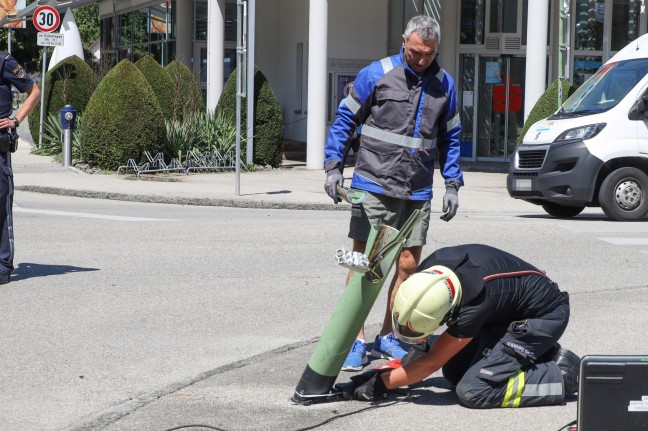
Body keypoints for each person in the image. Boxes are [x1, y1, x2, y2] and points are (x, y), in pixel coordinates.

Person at [323, 14, 464, 371]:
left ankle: (389, 336)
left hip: (416, 191)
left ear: (436, 50)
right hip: (373, 183)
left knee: (408, 265)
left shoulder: (445, 85)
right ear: (404, 41)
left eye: (428, 54)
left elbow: (450, 139)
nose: (420, 59)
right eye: (415, 52)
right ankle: (353, 339)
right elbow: (344, 119)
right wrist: (333, 166)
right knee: (364, 264)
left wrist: (451, 184)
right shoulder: (377, 73)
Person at [337, 244, 580, 409]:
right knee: (454, 372)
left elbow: (431, 363)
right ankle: (531, 355)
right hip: (503, 312)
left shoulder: (473, 304)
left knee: (473, 390)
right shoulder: (428, 276)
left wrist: (382, 383)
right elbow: (427, 352)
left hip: (544, 317)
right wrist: (385, 373)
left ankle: (561, 374)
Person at [0, 52, 41, 284]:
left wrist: (15, 120)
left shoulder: (5, 62)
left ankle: (3, 264)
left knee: (1, 207)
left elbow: (34, 91)